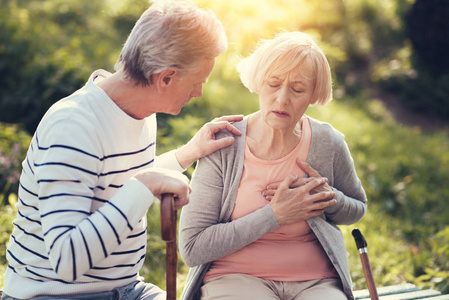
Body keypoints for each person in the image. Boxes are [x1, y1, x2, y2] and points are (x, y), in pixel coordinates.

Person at [2, 1, 243, 299]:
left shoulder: (139, 111)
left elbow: (114, 183)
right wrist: (148, 185)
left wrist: (188, 153)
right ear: (165, 78)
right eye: (197, 82)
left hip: (124, 289)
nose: (199, 93)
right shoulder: (73, 127)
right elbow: (67, 260)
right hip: (53, 293)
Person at [179, 31, 367, 300]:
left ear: (313, 94)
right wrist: (275, 214)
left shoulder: (328, 142)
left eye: (298, 89)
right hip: (235, 277)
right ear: (258, 82)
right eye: (273, 84)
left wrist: (327, 198)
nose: (281, 99)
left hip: (316, 281)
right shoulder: (223, 144)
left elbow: (357, 209)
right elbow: (193, 247)